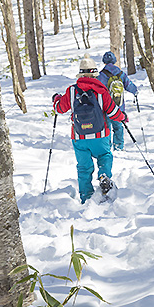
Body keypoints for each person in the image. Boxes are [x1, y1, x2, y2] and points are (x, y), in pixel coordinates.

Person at [53, 54, 127, 204]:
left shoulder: (72, 91)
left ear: (81, 74)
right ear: (95, 74)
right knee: (105, 156)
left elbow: (60, 108)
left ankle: (86, 198)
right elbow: (113, 112)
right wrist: (123, 117)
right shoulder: (101, 91)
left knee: (84, 168)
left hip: (79, 137)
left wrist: (56, 100)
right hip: (101, 135)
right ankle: (104, 176)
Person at [97, 51, 138, 151]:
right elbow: (129, 85)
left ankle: (107, 147)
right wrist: (135, 91)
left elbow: (97, 89)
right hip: (119, 107)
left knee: (107, 127)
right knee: (118, 127)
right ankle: (118, 146)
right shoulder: (120, 74)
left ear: (104, 61)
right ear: (114, 60)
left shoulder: (101, 75)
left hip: (105, 107)